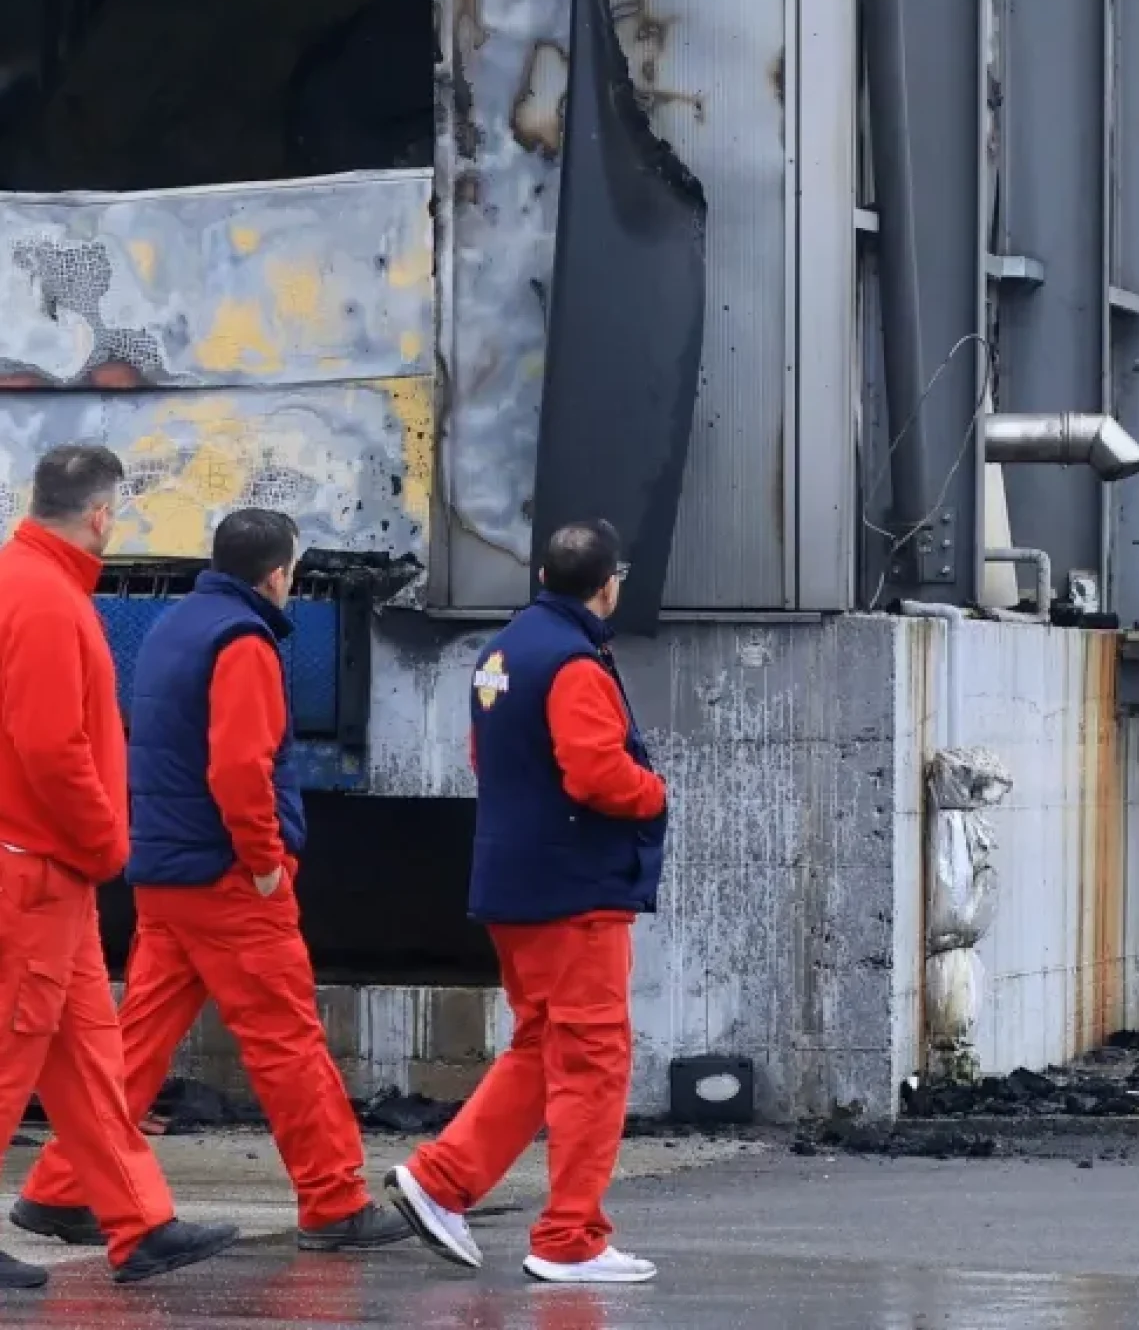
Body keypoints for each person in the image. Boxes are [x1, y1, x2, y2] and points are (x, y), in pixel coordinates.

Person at [10, 508, 410, 1256]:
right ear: (278, 575)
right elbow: (239, 768)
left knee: (135, 1042)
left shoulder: (173, 628)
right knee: (287, 1040)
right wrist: (265, 862)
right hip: (229, 880)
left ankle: (63, 1188)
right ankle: (334, 1200)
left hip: (166, 872)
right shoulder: (244, 642)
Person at [386, 519, 667, 1286]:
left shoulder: (501, 653)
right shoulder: (574, 662)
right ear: (609, 587)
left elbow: (487, 758)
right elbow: (596, 774)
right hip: (574, 892)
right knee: (594, 1061)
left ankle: (441, 1181)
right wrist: (654, 792)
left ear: (543, 577)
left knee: (543, 1047)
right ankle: (571, 1238)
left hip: (513, 885)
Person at [0, 445, 237, 1290]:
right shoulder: (47, 599)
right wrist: (106, 844)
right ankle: (139, 1224)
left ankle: (140, 1224)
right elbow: (52, 747)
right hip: (39, 871)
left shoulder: (26, 584)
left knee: (88, 1065)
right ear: (101, 515)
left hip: (41, 873)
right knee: (11, 1058)